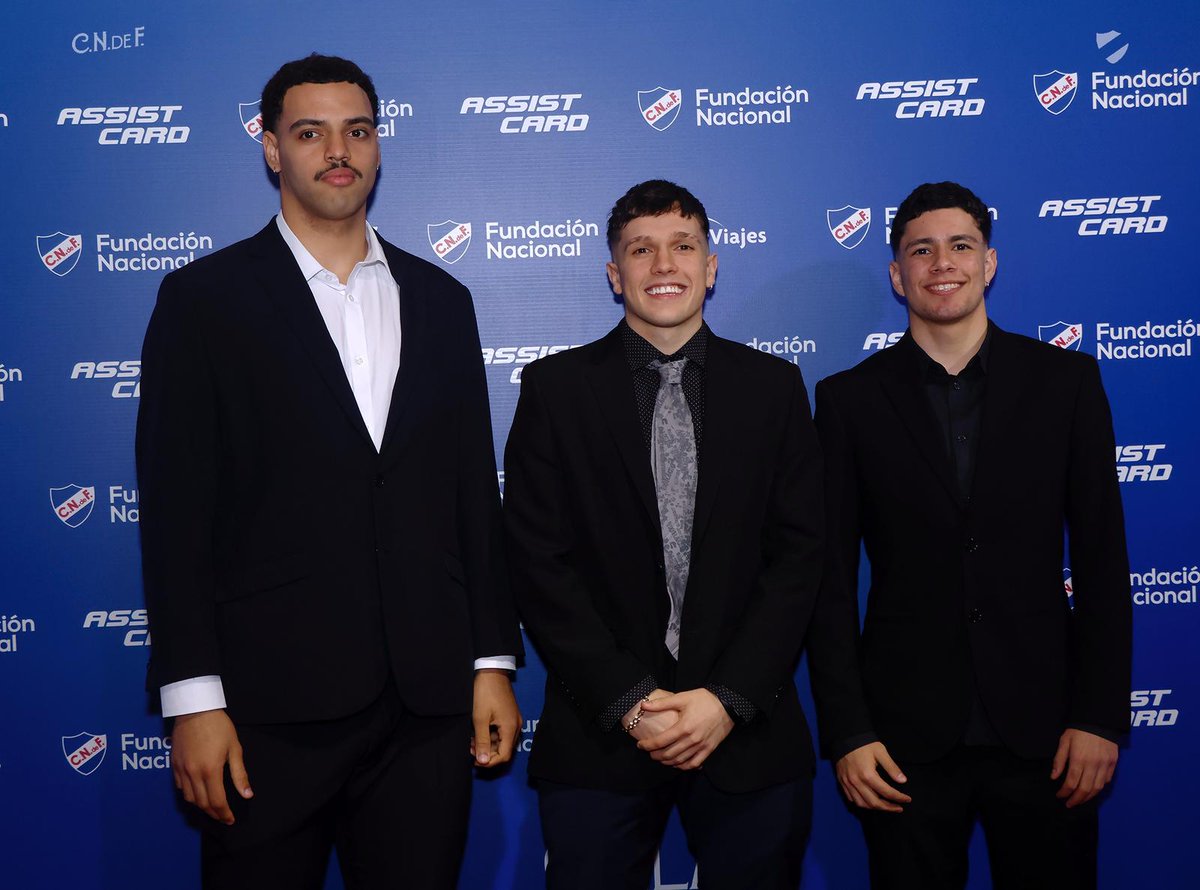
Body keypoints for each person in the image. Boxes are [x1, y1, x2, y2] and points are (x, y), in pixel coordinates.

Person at [136, 53, 521, 889]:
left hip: (425, 708)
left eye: (356, 131)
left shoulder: (441, 300)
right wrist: (195, 702)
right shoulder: (202, 301)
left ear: (379, 147)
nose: (336, 150)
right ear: (273, 148)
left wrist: (491, 664)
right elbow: (175, 514)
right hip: (267, 710)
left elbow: (469, 495)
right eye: (310, 132)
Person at [808, 181, 1131, 889]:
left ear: (989, 263)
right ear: (898, 275)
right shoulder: (847, 401)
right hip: (902, 741)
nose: (941, 263)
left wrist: (1101, 717)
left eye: (961, 246)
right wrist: (849, 733)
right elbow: (827, 583)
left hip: (1049, 730)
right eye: (920, 250)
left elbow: (1104, 561)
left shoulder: (1067, 383)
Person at [504, 180, 824, 889]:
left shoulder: (775, 388)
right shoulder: (554, 390)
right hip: (599, 735)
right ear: (615, 275)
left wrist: (727, 699)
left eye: (683, 246)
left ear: (712, 267)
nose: (663, 265)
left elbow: (800, 558)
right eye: (640, 250)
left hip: (749, 732)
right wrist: (628, 701)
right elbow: (537, 561)